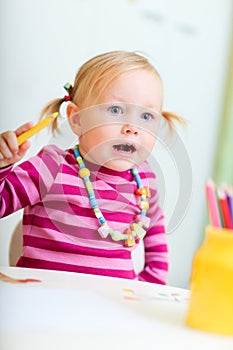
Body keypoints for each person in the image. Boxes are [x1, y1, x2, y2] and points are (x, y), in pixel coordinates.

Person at [0, 50, 183, 284]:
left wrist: (149, 290)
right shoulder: (51, 167)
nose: (132, 127)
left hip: (110, 307)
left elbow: (156, 240)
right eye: (116, 110)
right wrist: (3, 164)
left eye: (146, 116)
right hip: (44, 302)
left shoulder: (144, 181)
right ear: (77, 119)